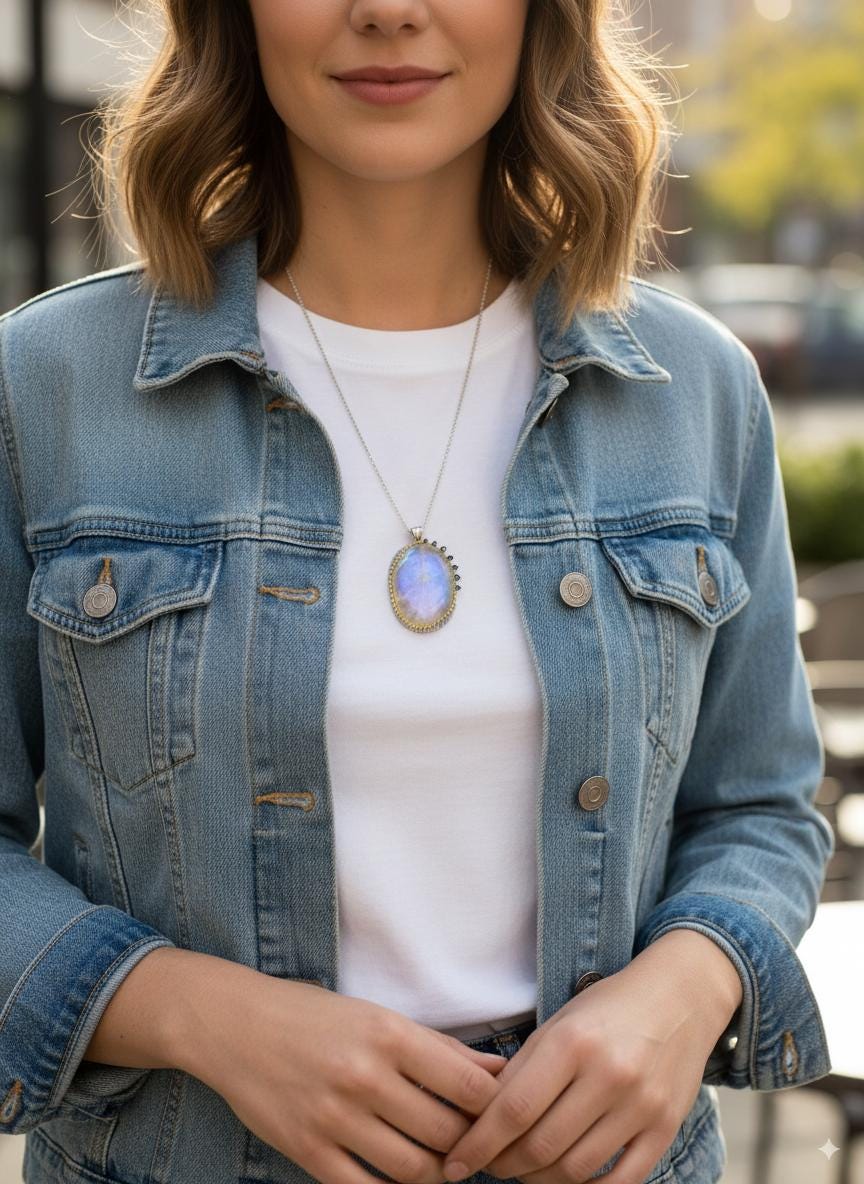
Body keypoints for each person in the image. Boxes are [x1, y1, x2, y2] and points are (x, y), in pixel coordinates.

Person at [0, 2, 834, 1184]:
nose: (389, 11)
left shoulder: (693, 392)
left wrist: (685, 984)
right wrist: (193, 1011)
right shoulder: (44, 388)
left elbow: (762, 803)